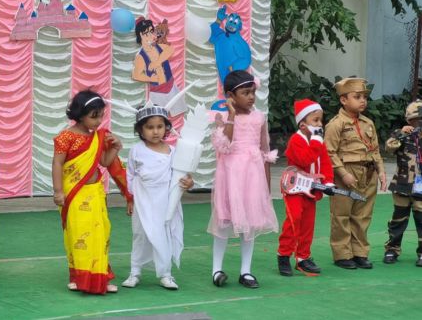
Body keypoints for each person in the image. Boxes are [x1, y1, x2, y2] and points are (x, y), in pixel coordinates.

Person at [52, 90, 133, 295]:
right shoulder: (65, 137)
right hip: (75, 195)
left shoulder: (100, 137)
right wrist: (58, 191)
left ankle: (101, 278)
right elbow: (57, 163)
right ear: (80, 114)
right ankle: (78, 277)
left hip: (95, 194)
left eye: (101, 115)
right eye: (93, 116)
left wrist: (116, 148)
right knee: (78, 235)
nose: (99, 120)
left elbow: (105, 163)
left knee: (100, 234)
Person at [208, 71, 278, 289]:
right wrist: (230, 116)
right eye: (245, 93)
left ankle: (245, 271)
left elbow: (265, 152)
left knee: (250, 220)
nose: (251, 97)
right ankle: (216, 269)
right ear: (230, 95)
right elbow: (223, 146)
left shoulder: (259, 118)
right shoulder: (222, 118)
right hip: (230, 175)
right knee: (225, 220)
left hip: (252, 176)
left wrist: (266, 188)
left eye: (253, 92)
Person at [122, 104, 194, 290]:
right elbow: (130, 175)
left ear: (166, 128)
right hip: (143, 200)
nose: (155, 132)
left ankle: (165, 274)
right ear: (140, 129)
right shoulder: (136, 150)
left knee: (164, 234)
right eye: (150, 127)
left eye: (160, 127)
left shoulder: (172, 151)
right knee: (140, 235)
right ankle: (135, 271)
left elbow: (182, 175)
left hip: (166, 201)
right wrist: (130, 198)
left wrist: (188, 182)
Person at [325, 78, 387, 269]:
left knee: (363, 215)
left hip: (368, 173)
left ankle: (359, 252)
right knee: (342, 215)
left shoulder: (368, 123)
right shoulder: (336, 124)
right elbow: (329, 152)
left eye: (364, 97)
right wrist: (343, 173)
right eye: (357, 97)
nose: (363, 101)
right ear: (343, 100)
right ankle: (342, 254)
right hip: (347, 174)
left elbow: (375, 149)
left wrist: (381, 171)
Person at [277, 99, 334, 276]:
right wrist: (316, 142)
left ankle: (303, 257)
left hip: (311, 190)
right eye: (315, 121)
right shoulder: (296, 140)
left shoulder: (318, 142)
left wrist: (328, 182)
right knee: (294, 221)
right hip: (295, 189)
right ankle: (284, 255)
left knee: (308, 224)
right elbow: (304, 160)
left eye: (320, 120)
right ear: (302, 125)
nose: (320, 124)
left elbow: (325, 163)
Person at [383, 100, 422, 266]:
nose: (420, 123)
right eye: (417, 120)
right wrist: (400, 133)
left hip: (420, 188)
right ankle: (392, 249)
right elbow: (389, 147)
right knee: (398, 220)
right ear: (409, 121)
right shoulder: (402, 136)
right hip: (402, 185)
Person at [132, 17, 187, 116]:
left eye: (151, 31)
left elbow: (170, 49)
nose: (151, 35)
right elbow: (136, 75)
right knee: (159, 117)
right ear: (141, 35)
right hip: (157, 92)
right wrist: (149, 78)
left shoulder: (158, 47)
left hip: (171, 86)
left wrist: (157, 62)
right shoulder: (140, 56)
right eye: (147, 33)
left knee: (178, 112)